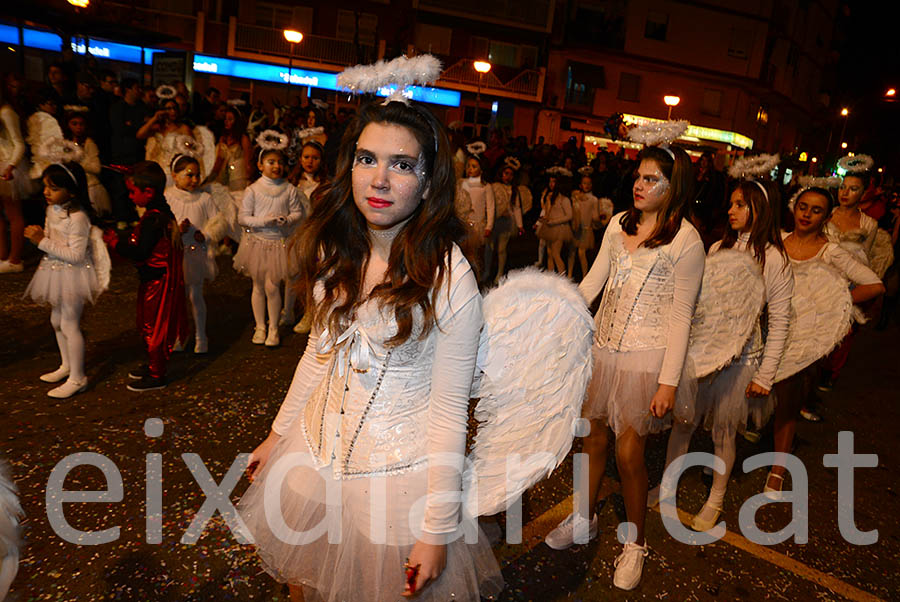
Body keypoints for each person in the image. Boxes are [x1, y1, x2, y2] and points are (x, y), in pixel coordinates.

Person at [237, 97, 504, 602]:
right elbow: (318, 353)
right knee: (301, 583)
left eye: (402, 165)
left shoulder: (450, 277)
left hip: (394, 478)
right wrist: (278, 434)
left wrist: (435, 528)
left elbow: (450, 411)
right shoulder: (337, 245)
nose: (379, 179)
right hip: (311, 456)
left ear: (428, 183)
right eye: (367, 159)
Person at [545, 144, 704, 591]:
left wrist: (668, 382)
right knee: (591, 438)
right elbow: (594, 281)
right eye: (639, 175)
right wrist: (558, 312)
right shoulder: (618, 223)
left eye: (651, 178)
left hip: (645, 357)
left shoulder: (687, 240)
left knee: (629, 452)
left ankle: (636, 543)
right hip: (602, 347)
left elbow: (681, 316)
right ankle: (584, 519)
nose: (639, 183)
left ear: (674, 189)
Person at [651, 178, 793, 531]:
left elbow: (780, 322)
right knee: (683, 422)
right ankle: (667, 487)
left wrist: (765, 375)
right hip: (704, 354)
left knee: (723, 433)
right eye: (730, 204)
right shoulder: (716, 249)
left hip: (741, 360)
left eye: (740, 205)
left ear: (761, 209)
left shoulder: (774, 259)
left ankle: (715, 499)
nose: (730, 211)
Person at [766, 187, 883, 496]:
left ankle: (777, 469)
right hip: (768, 326)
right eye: (803, 207)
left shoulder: (830, 251)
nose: (806, 214)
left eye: (816, 210)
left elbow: (874, 285)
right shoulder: (776, 240)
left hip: (803, 335)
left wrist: (835, 306)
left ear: (826, 216)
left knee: (788, 400)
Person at [24, 161, 109, 398]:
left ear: (71, 191)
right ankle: (66, 365)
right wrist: (43, 237)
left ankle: (78, 377)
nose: (46, 192)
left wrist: (41, 241)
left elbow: (76, 255)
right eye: (45, 186)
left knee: (70, 324)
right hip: (53, 270)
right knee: (56, 321)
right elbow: (50, 236)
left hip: (73, 275)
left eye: (53, 188)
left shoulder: (79, 218)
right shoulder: (52, 210)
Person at [103, 161, 188, 391]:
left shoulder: (154, 219)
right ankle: (153, 364)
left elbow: (140, 251)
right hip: (152, 279)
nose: (130, 197)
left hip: (158, 282)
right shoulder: (157, 213)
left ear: (148, 192)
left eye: (133, 192)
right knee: (146, 324)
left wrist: (115, 243)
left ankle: (157, 374)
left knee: (154, 327)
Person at [233, 138, 304, 347]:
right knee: (258, 286)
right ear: (260, 165)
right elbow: (243, 218)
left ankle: (273, 328)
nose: (276, 166)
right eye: (271, 162)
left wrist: (287, 220)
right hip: (257, 243)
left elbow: (297, 212)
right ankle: (260, 326)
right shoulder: (253, 190)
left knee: (273, 286)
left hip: (278, 244)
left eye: (280, 162)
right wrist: (265, 221)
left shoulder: (289, 189)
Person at [165, 155, 231, 354]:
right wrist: (176, 229)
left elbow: (219, 221)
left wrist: (208, 235)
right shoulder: (168, 197)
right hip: (175, 253)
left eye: (197, 175)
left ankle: (200, 336)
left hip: (195, 254)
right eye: (189, 175)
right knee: (177, 298)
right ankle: (179, 335)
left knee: (195, 296)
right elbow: (162, 223)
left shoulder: (204, 198)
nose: (194, 179)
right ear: (175, 176)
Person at [283, 140, 327, 334]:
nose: (310, 161)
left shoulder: (325, 185)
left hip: (315, 235)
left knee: (312, 274)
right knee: (291, 272)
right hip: (294, 232)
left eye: (315, 158)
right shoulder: (291, 183)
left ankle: (309, 313)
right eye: (306, 157)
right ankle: (288, 309)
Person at [63, 107, 111, 216]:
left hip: (90, 187)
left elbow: (96, 168)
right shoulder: (64, 144)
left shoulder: (89, 143)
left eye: (81, 124)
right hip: (72, 189)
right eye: (74, 124)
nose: (78, 127)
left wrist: (78, 162)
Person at [455, 151, 494, 280]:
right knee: (462, 251)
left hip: (478, 225)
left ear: (481, 169)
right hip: (463, 222)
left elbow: (490, 207)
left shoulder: (485, 187)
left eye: (474, 166)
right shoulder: (462, 183)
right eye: (469, 166)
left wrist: (489, 226)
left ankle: (477, 276)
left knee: (477, 253)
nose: (470, 169)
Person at [489, 158, 529, 284]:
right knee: (490, 248)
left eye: (510, 174)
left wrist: (520, 225)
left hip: (507, 223)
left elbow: (516, 208)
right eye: (506, 173)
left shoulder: (514, 190)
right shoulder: (494, 187)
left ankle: (500, 272)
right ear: (501, 174)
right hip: (495, 221)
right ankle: (487, 270)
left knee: (502, 249)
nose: (508, 177)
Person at [0, 85, 26, 274]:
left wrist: (11, 166)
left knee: (13, 214)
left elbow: (19, 143)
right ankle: (2, 255)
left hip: (7, 164)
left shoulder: (6, 112)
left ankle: (15, 259)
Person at [535, 173, 573, 274]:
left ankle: (562, 278)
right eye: (550, 181)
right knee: (549, 254)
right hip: (550, 228)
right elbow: (547, 212)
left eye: (554, 182)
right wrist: (543, 220)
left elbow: (569, 215)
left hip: (559, 229)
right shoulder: (550, 197)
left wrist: (553, 221)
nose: (551, 184)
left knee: (556, 254)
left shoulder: (564, 199)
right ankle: (551, 277)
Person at [568, 172, 601, 280]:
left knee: (581, 252)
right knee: (572, 251)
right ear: (580, 185)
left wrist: (599, 220)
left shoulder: (593, 200)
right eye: (584, 183)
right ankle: (569, 274)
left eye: (589, 183)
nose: (586, 185)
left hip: (586, 229)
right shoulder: (576, 197)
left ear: (591, 185)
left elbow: (595, 216)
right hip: (576, 227)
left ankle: (585, 276)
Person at [212, 106, 252, 192]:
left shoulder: (243, 138)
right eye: (225, 119)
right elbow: (219, 158)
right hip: (223, 174)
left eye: (230, 119)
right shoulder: (223, 138)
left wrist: (248, 175)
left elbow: (248, 159)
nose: (226, 122)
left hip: (238, 174)